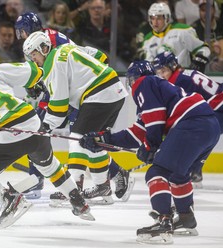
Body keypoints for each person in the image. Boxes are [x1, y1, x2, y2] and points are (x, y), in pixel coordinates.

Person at [79, 60, 220, 244]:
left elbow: (155, 119)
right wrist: (104, 141)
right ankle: (186, 218)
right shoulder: (157, 89)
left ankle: (164, 221)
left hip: (192, 123)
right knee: (178, 174)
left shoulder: (144, 83)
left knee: (157, 172)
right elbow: (138, 132)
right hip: (209, 126)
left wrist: (150, 146)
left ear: (132, 79)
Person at [0, 58, 94, 227]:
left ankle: (8, 197)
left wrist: (1, 155)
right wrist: (35, 82)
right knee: (49, 166)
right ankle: (78, 201)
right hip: (32, 124)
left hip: (5, 138)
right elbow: (33, 71)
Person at [15, 11, 133, 202]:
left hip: (97, 94)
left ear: (43, 48)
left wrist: (47, 126)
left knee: (77, 139)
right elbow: (98, 56)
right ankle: (104, 185)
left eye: (34, 55)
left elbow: (59, 103)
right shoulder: (58, 48)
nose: (33, 60)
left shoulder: (52, 58)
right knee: (92, 140)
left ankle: (72, 190)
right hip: (112, 90)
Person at [152, 51, 223, 186]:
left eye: (164, 70)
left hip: (219, 109)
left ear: (173, 66)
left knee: (195, 135)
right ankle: (194, 172)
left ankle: (190, 173)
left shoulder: (178, 81)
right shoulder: (184, 74)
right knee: (198, 137)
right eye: (158, 72)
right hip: (218, 107)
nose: (161, 75)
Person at [141, 2, 211, 72]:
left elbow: (203, 48)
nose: (155, 22)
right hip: (160, 79)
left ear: (167, 18)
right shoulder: (148, 39)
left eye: (159, 18)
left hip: (182, 76)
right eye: (152, 18)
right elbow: (149, 64)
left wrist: (199, 60)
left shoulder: (182, 31)